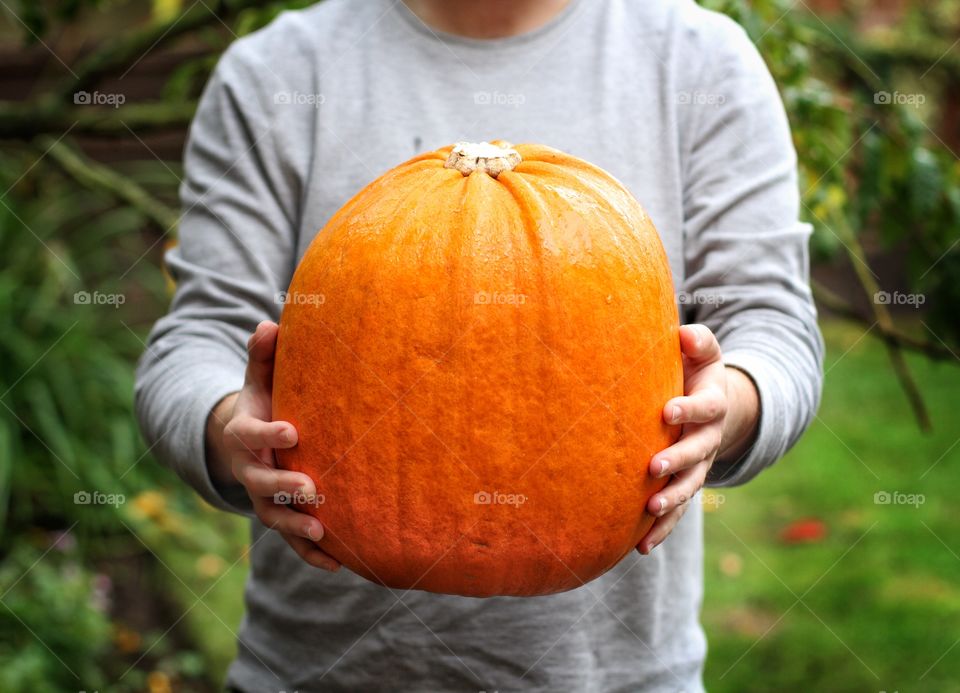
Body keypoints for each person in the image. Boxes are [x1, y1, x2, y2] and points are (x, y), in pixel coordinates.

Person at [135, 0, 824, 689]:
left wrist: (724, 408)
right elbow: (199, 337)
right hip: (318, 670)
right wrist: (233, 432)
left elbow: (773, 324)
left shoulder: (702, 60)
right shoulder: (275, 71)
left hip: (615, 675)